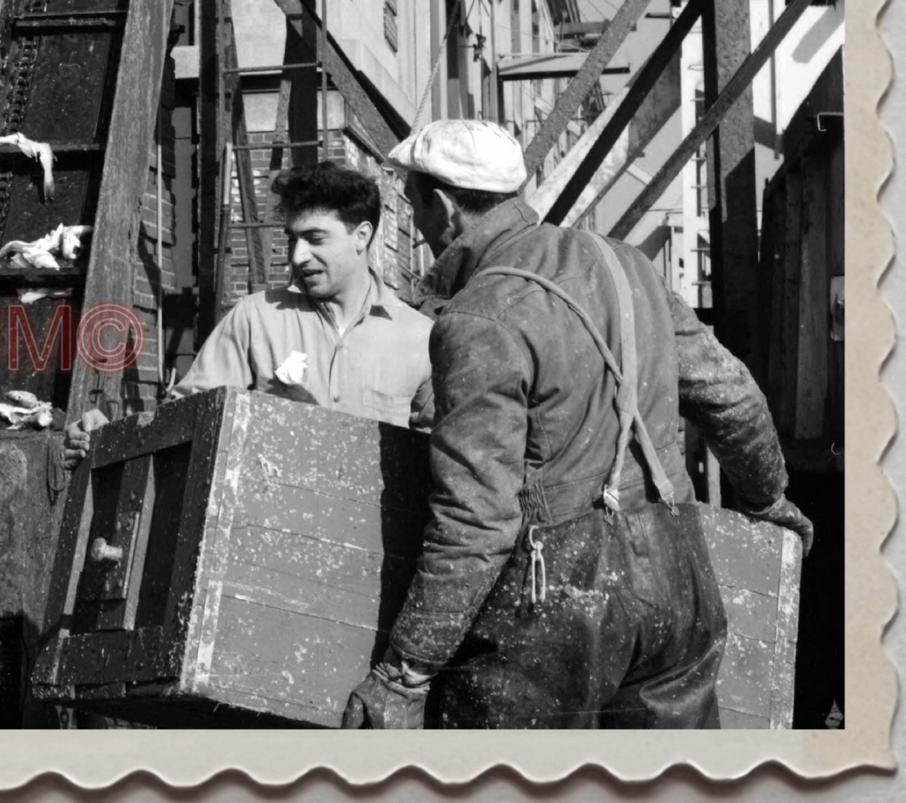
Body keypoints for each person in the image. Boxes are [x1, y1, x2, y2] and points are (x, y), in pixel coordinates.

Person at [344, 119, 813, 730]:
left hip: (557, 605)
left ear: (442, 205)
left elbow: (477, 517)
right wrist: (770, 498)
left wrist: (405, 672)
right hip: (676, 576)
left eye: (417, 208)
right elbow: (734, 398)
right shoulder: (628, 267)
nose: (422, 230)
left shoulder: (479, 316)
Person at [64, 161, 434, 467]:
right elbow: (180, 422)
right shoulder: (256, 317)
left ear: (362, 235)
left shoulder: (422, 339)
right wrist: (108, 435)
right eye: (292, 239)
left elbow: (440, 465)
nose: (297, 256)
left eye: (315, 239)